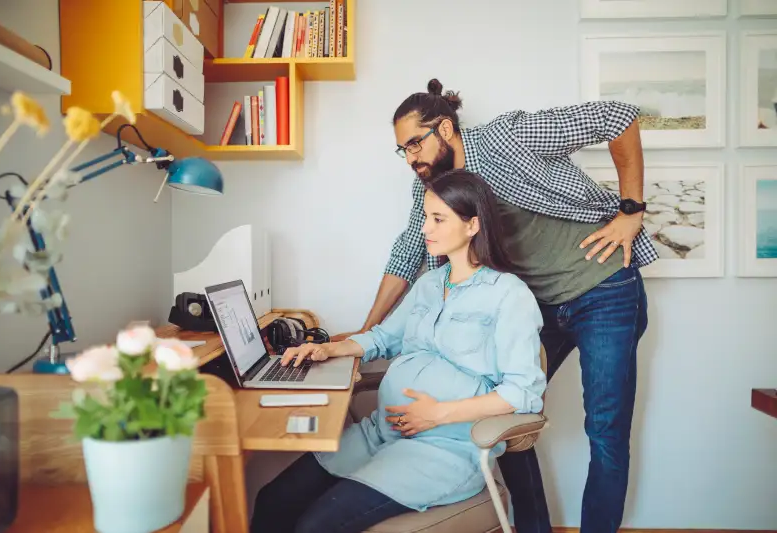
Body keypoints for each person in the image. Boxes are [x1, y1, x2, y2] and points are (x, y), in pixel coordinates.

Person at [336, 79, 653, 533]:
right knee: (507, 416)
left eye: (414, 144)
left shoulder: (508, 138)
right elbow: (408, 251)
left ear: (445, 129)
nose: (410, 159)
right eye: (401, 150)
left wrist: (631, 211)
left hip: (602, 288)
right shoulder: (433, 191)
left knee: (605, 429)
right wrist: (364, 334)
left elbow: (618, 117)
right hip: (537, 303)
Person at [249, 169, 547, 533]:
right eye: (426, 217)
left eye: (438, 219)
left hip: (443, 450)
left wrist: (437, 414)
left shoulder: (509, 294)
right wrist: (328, 349)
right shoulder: (429, 284)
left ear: (472, 225)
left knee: (317, 525)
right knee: (273, 500)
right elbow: (382, 338)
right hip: (381, 432)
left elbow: (524, 392)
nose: (425, 229)